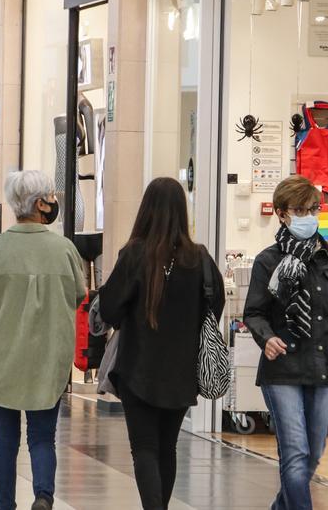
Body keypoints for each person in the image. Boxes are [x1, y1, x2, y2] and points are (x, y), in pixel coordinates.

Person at [243, 175, 328, 510]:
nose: (308, 216)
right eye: (300, 209)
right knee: (295, 452)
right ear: (282, 213)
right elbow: (254, 313)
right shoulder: (268, 261)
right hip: (283, 368)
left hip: (326, 366)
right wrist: (266, 339)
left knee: (313, 452)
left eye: (313, 208)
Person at [100, 178, 225, 510]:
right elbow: (216, 306)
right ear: (182, 212)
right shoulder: (199, 259)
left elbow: (110, 308)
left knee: (143, 447)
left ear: (146, 210)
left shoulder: (135, 254)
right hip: (182, 371)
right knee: (167, 447)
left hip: (137, 369)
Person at [0, 170, 86, 510]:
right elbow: (78, 293)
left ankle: (5, 504)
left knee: (5, 440)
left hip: (2, 357)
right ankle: (43, 496)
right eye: (50, 196)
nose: (53, 203)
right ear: (39, 204)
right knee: (42, 437)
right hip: (48, 357)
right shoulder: (64, 249)